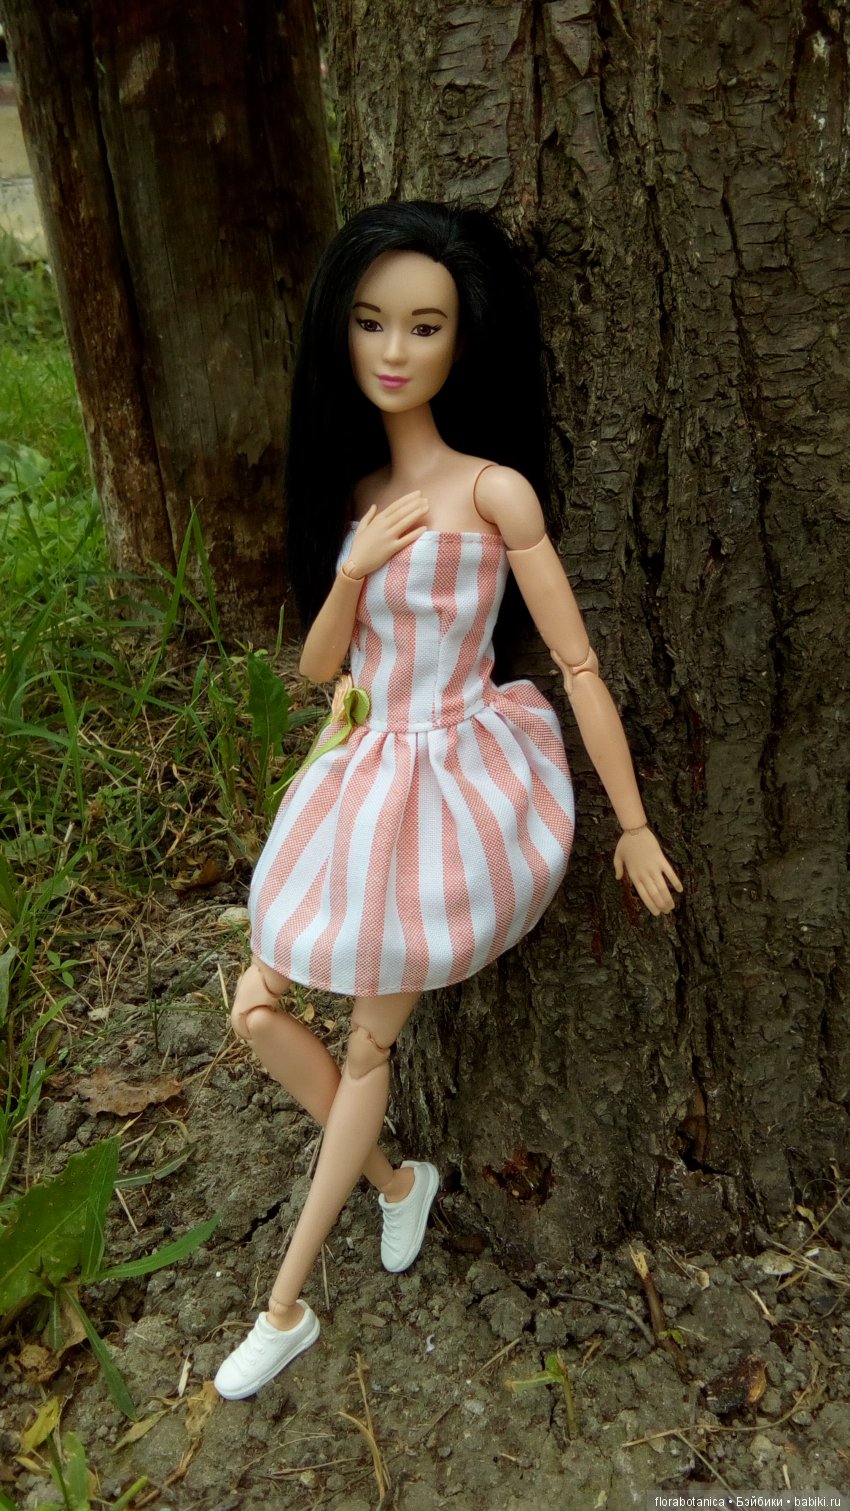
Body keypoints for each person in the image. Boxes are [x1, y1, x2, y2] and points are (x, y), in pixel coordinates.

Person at [214, 201, 682, 1400]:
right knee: (256, 1006)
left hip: (446, 784)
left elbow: (576, 664)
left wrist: (631, 824)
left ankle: (284, 1303)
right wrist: (352, 567)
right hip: (357, 762)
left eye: (424, 326)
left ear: (462, 339)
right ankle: (395, 1180)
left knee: (370, 1040)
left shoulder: (493, 494)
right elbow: (321, 668)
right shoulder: (357, 493)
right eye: (371, 321)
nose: (393, 349)